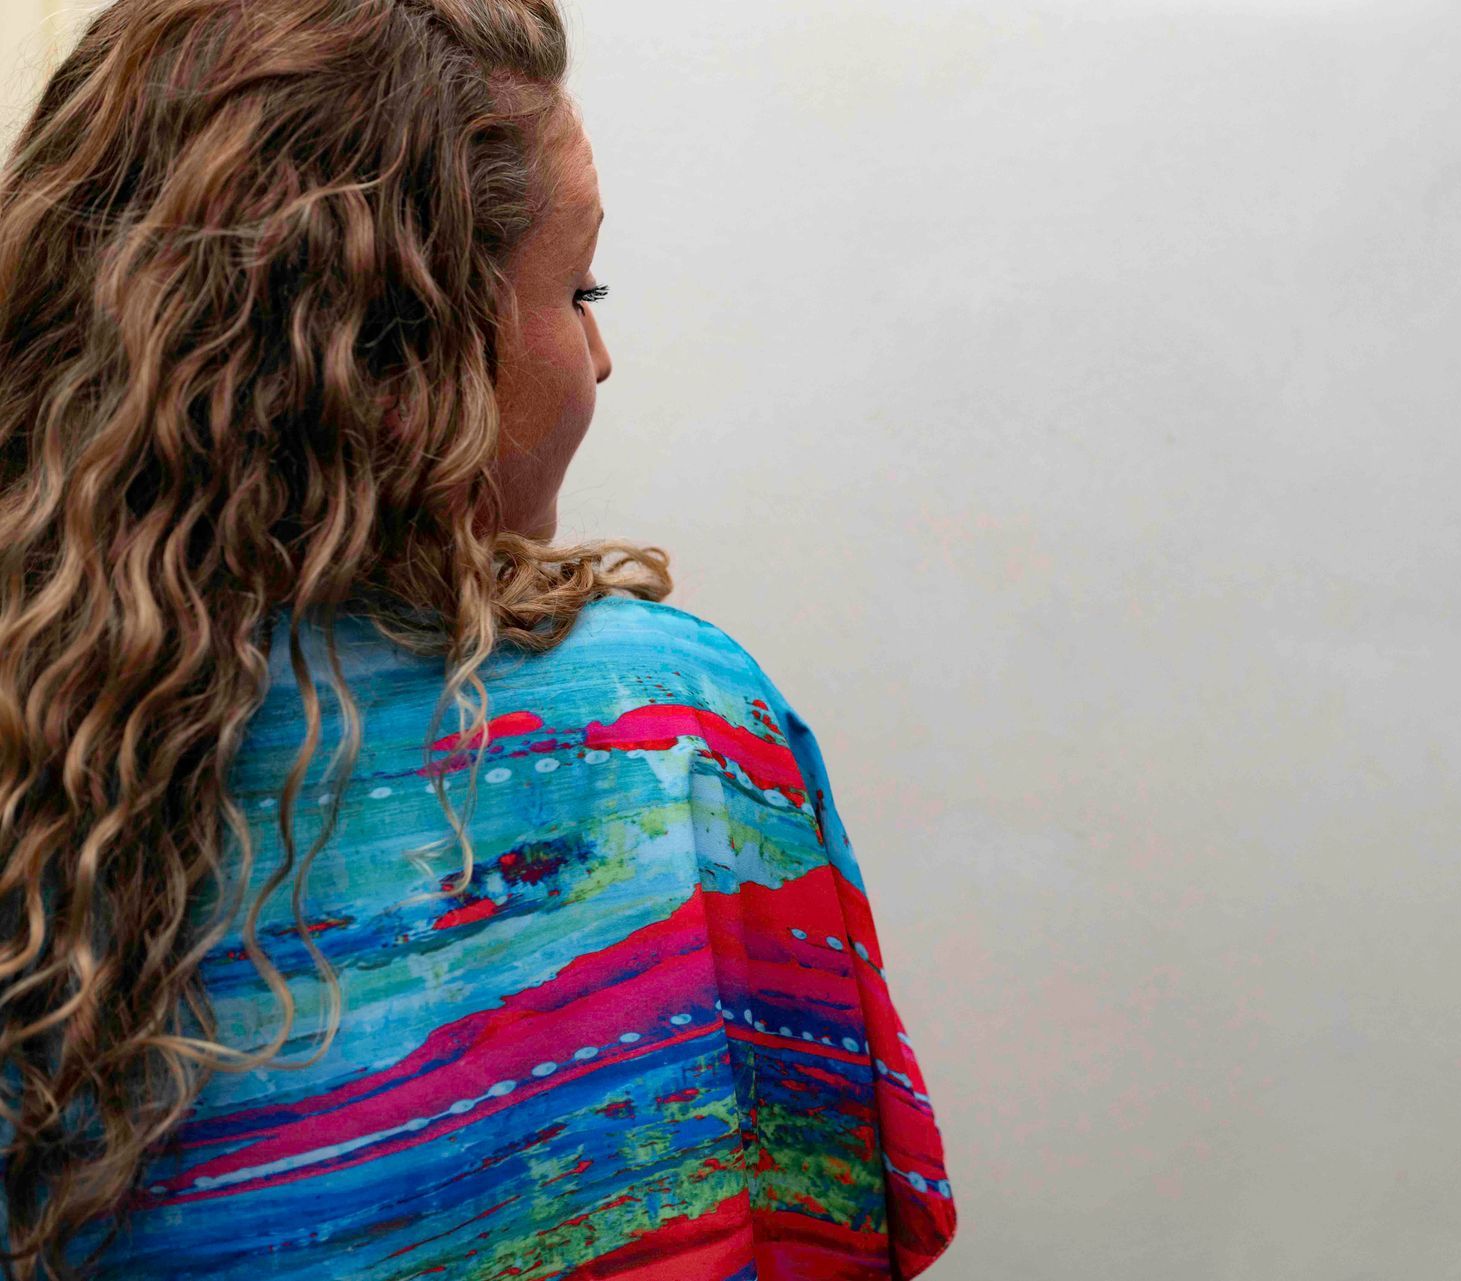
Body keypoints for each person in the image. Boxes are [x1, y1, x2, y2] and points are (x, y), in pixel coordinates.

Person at [0, 1, 958, 1278]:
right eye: (579, 288)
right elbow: (823, 1231)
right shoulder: (666, 736)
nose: (601, 357)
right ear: (391, 353)